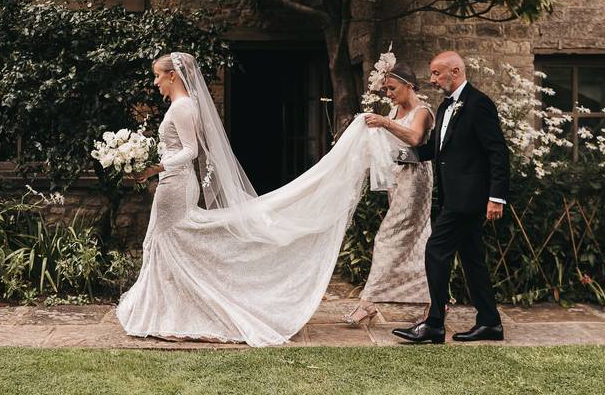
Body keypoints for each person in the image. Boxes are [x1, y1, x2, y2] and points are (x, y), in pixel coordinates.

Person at [116, 52, 396, 347]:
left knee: (172, 242)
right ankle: (167, 311)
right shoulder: (180, 105)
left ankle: (177, 312)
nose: (155, 81)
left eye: (158, 75)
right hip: (172, 183)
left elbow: (191, 151)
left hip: (175, 185)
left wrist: (156, 167)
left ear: (172, 75)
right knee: (169, 243)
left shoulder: (183, 107)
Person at [392, 51, 510, 344]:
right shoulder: (446, 107)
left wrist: (497, 197)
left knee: (435, 250)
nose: (431, 80)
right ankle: (490, 323)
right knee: (472, 260)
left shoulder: (479, 104)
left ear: (455, 72)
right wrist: (402, 155)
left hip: (468, 197)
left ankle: (433, 324)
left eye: (436, 73)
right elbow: (437, 149)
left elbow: (498, 152)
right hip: (452, 195)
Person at [343, 63, 434, 325]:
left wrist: (383, 122)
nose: (388, 95)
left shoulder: (422, 111)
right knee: (419, 240)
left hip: (416, 180)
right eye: (385, 90)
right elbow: (390, 144)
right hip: (398, 178)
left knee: (386, 237)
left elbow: (415, 139)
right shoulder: (395, 110)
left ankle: (367, 303)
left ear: (409, 85)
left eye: (392, 89)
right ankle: (435, 301)